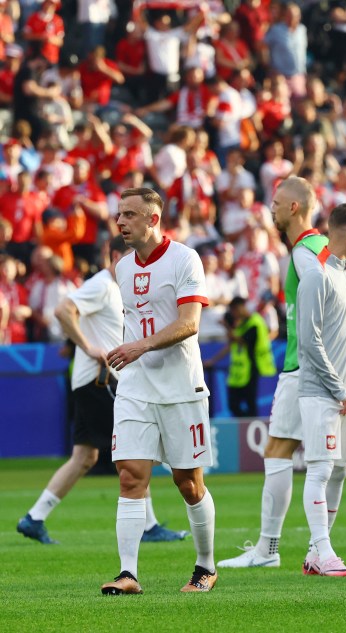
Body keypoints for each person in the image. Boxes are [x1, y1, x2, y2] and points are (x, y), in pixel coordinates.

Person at [218, 178, 346, 570]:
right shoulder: (324, 253)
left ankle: (272, 550)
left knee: (287, 453)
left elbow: (320, 322)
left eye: (277, 203)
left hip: (307, 368)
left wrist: (338, 376)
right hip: (335, 367)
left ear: (295, 208)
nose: (271, 208)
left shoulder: (306, 255)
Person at [17, 237, 187, 546]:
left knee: (84, 456)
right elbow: (62, 310)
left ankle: (34, 517)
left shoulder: (115, 289)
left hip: (92, 380)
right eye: (129, 257)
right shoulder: (102, 285)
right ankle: (148, 526)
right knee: (136, 444)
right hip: (101, 380)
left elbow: (78, 316)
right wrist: (88, 347)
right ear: (113, 255)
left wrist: (80, 345)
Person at [102, 188, 216, 595]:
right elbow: (134, 323)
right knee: (131, 475)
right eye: (119, 215)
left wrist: (141, 346)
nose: (121, 223)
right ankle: (127, 573)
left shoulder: (186, 259)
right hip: (135, 385)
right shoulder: (123, 268)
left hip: (181, 385)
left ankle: (205, 566)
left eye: (130, 215)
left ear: (153, 219)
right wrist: (123, 351)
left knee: (188, 482)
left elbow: (190, 323)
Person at [295, 203, 346, 576]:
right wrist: (336, 387)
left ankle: (317, 552)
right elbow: (308, 341)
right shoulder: (317, 276)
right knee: (320, 469)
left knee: (342, 469)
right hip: (320, 392)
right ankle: (324, 550)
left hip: (345, 392)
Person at [204, 296, 278, 418]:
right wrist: (213, 360)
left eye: (233, 311)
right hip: (239, 372)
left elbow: (242, 341)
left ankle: (250, 426)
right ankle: (244, 426)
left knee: (250, 404)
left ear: (239, 308)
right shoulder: (242, 324)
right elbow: (231, 346)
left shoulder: (255, 323)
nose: (233, 314)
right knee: (233, 404)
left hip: (252, 368)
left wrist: (226, 326)